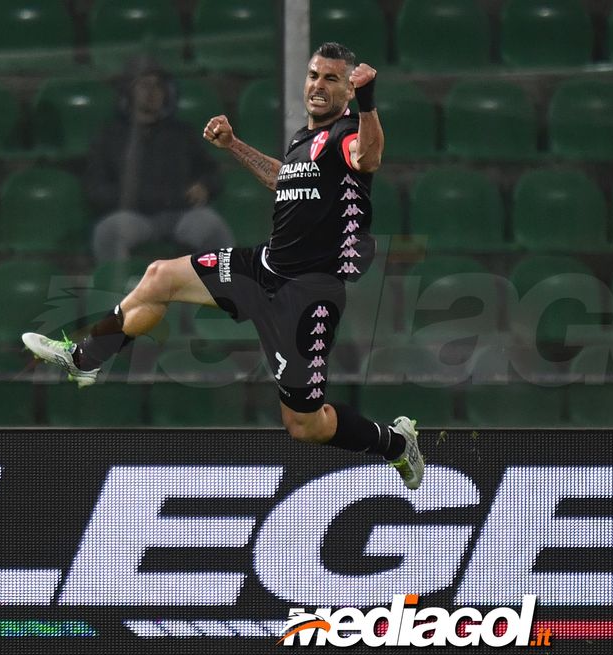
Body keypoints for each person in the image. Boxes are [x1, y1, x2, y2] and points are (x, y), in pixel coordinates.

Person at [23, 42, 424, 490]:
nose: (318, 85)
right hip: (263, 268)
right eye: (314, 75)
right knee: (159, 277)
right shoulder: (303, 139)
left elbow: (369, 158)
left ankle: (393, 444)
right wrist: (234, 145)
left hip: (306, 295)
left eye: (332, 79)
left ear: (349, 89)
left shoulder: (348, 131)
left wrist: (368, 100)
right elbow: (283, 179)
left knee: (305, 426)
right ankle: (85, 360)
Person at [85, 55, 236, 261]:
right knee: (107, 233)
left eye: (158, 86)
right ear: (128, 92)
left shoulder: (182, 133)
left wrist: (205, 185)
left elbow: (212, 172)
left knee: (213, 228)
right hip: (134, 215)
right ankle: (123, 292)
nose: (152, 92)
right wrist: (130, 197)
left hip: (182, 212)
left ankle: (222, 291)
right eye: (144, 86)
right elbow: (96, 188)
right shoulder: (110, 136)